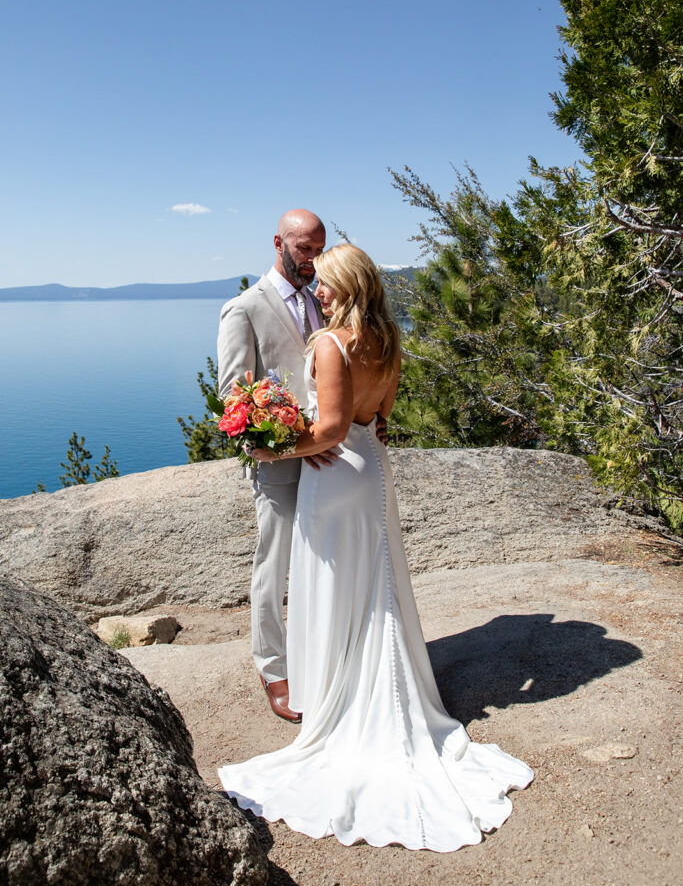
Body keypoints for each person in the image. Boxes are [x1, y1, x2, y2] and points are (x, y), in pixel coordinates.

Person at [218, 244, 533, 852]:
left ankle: (336, 695)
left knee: (336, 584)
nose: (321, 294)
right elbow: (380, 417)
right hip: (373, 469)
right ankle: (379, 685)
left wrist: (270, 448)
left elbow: (330, 429)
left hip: (332, 475)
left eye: (329, 285)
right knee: (376, 584)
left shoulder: (331, 345)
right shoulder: (388, 341)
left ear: (346, 285)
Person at [217, 209, 330, 723]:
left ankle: (318, 655)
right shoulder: (243, 308)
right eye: (304, 249)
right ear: (279, 243)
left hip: (329, 458)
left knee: (323, 559)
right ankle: (273, 667)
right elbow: (233, 397)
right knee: (275, 561)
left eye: (318, 250)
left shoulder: (320, 300)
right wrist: (286, 443)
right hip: (281, 462)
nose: (313, 260)